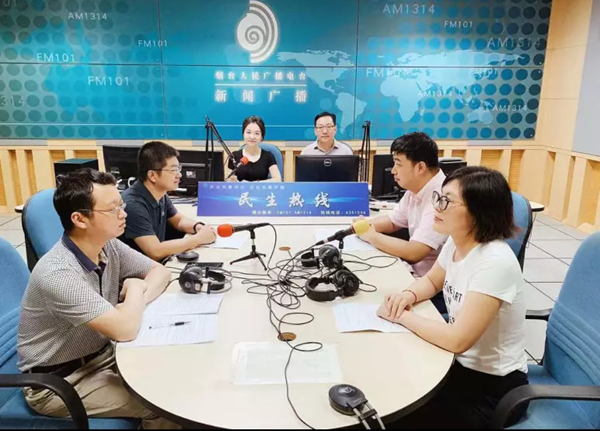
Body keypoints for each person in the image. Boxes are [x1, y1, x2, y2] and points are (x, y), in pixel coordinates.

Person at [17, 169, 178, 429]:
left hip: (102, 356)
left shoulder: (106, 244)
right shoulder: (58, 273)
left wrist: (135, 299)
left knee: (177, 370)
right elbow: (125, 329)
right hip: (61, 382)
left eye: (121, 205)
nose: (123, 214)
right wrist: (134, 290)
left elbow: (160, 272)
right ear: (80, 219)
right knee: (161, 403)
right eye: (113, 209)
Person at [379, 166, 528, 429]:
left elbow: (457, 340)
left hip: (492, 390)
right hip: (457, 368)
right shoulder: (457, 241)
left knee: (393, 416)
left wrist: (401, 316)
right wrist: (408, 295)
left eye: (447, 201)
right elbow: (432, 281)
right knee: (387, 384)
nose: (437, 206)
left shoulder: (494, 263)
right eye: (439, 197)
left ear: (479, 212)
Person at [356, 132, 448, 312]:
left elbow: (415, 252)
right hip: (415, 277)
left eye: (398, 164)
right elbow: (393, 221)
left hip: (433, 289)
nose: (393, 170)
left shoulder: (441, 196)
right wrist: (365, 225)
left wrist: (371, 236)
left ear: (420, 167)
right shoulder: (416, 188)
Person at [120, 141, 216, 261]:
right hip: (139, 269)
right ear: (152, 175)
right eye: (173, 170)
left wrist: (198, 227)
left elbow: (178, 220)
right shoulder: (133, 204)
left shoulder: (160, 194)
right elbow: (155, 251)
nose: (179, 175)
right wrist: (199, 239)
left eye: (178, 169)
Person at [228, 116, 282, 182]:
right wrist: (232, 180)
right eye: (248, 132)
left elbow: (277, 179)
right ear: (243, 134)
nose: (252, 137)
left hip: (261, 188)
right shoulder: (234, 156)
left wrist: (255, 184)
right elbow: (229, 180)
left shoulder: (268, 156)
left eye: (257, 133)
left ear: (262, 136)